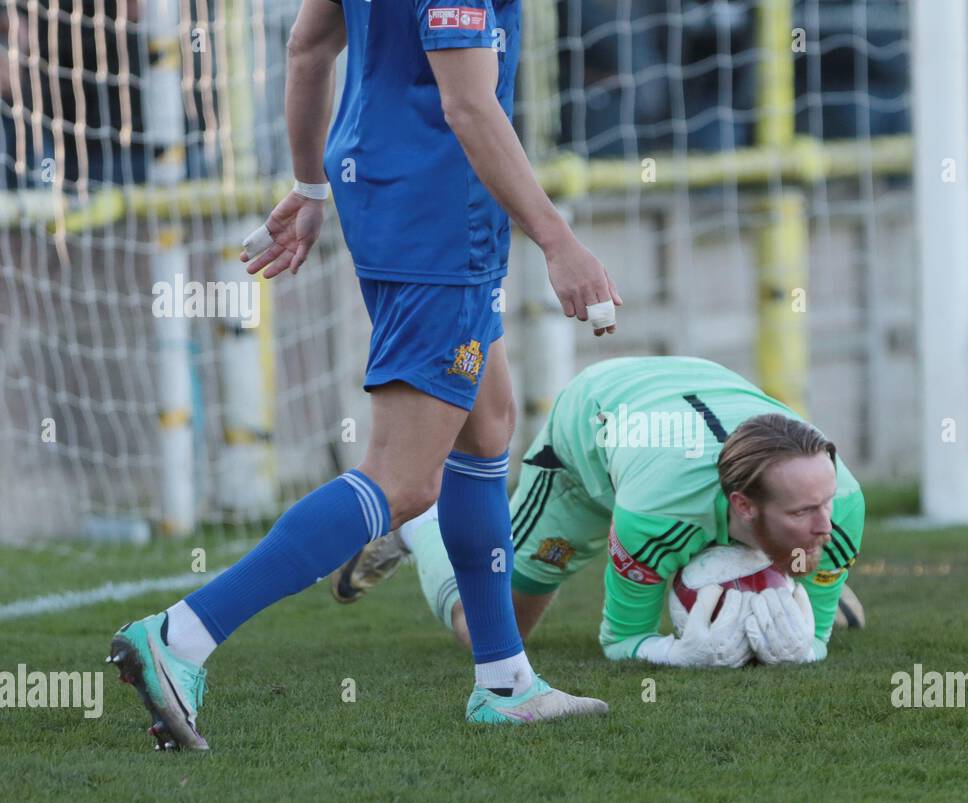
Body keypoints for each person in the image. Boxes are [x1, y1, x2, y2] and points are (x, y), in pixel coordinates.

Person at [106, 0, 622, 747]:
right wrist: (558, 240)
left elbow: (309, 43)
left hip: (387, 195)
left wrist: (312, 188)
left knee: (487, 429)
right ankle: (181, 634)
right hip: (440, 219)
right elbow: (469, 104)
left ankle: (505, 681)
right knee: (405, 480)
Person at [333, 357, 867, 667]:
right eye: (804, 513)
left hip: (699, 393)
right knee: (492, 629)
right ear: (745, 507)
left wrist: (802, 626)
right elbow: (622, 642)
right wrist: (681, 654)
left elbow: (813, 643)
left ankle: (774, 572)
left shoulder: (840, 503)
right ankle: (418, 527)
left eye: (824, 506)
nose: (826, 525)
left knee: (806, 550)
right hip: (591, 435)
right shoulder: (653, 514)